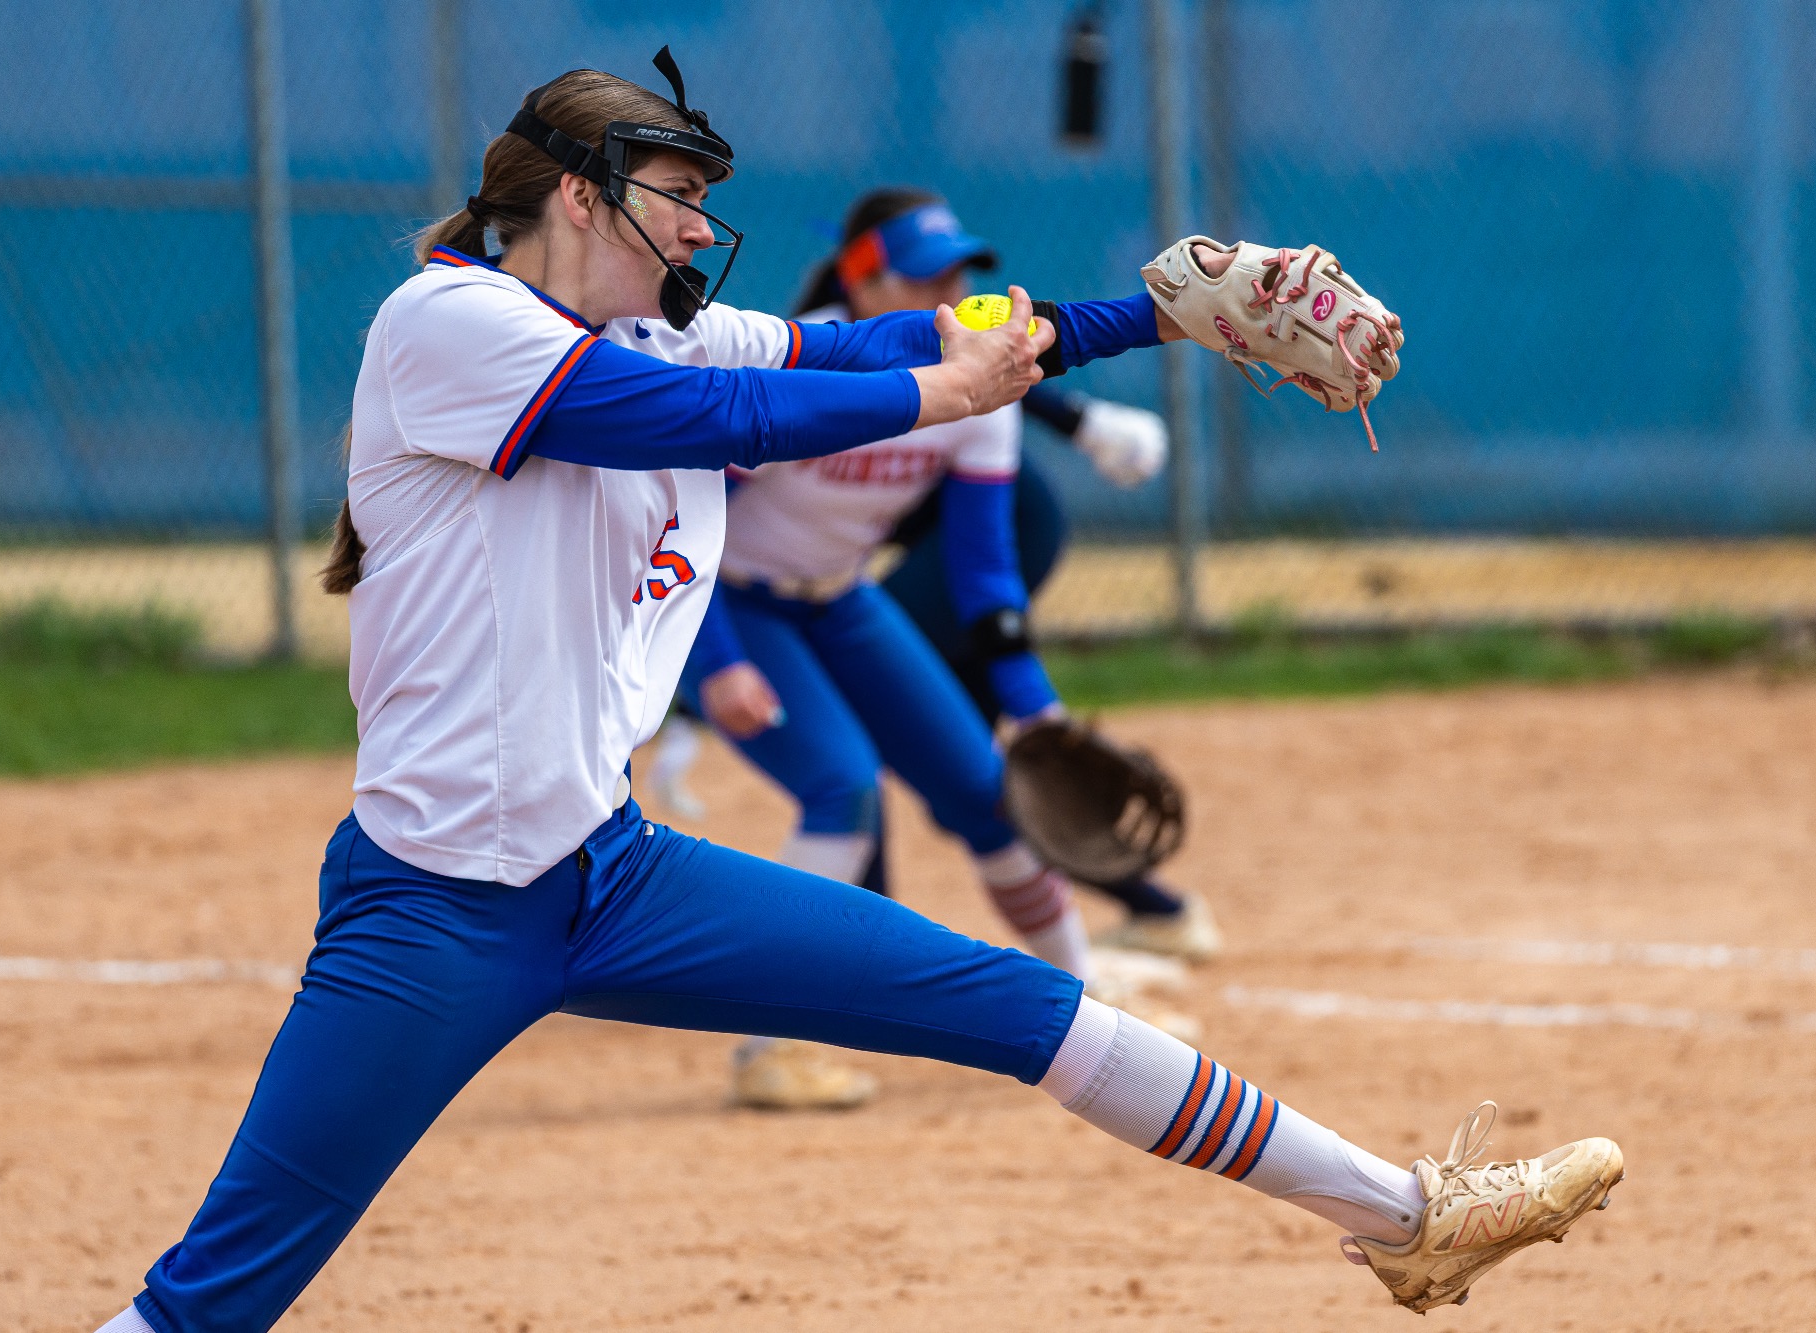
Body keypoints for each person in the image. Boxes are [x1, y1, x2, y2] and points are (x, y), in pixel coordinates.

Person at [93, 54, 1622, 1333]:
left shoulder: (648, 325)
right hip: (433, 909)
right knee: (214, 1300)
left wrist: (1149, 316)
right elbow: (706, 415)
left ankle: (1412, 1217)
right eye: (674, 194)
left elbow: (886, 339)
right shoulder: (448, 324)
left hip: (612, 876)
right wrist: (938, 397)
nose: (701, 228)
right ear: (576, 195)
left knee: (1028, 1009)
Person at [676, 188, 1202, 1111]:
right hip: (727, 601)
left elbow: (984, 568)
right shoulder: (804, 361)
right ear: (862, 278)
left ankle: (1084, 1002)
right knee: (842, 788)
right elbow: (679, 513)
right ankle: (769, 1048)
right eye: (925, 276)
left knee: (990, 789)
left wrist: (1034, 705)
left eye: (958, 273)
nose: (949, 293)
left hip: (841, 597)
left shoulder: (981, 380)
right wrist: (717, 660)